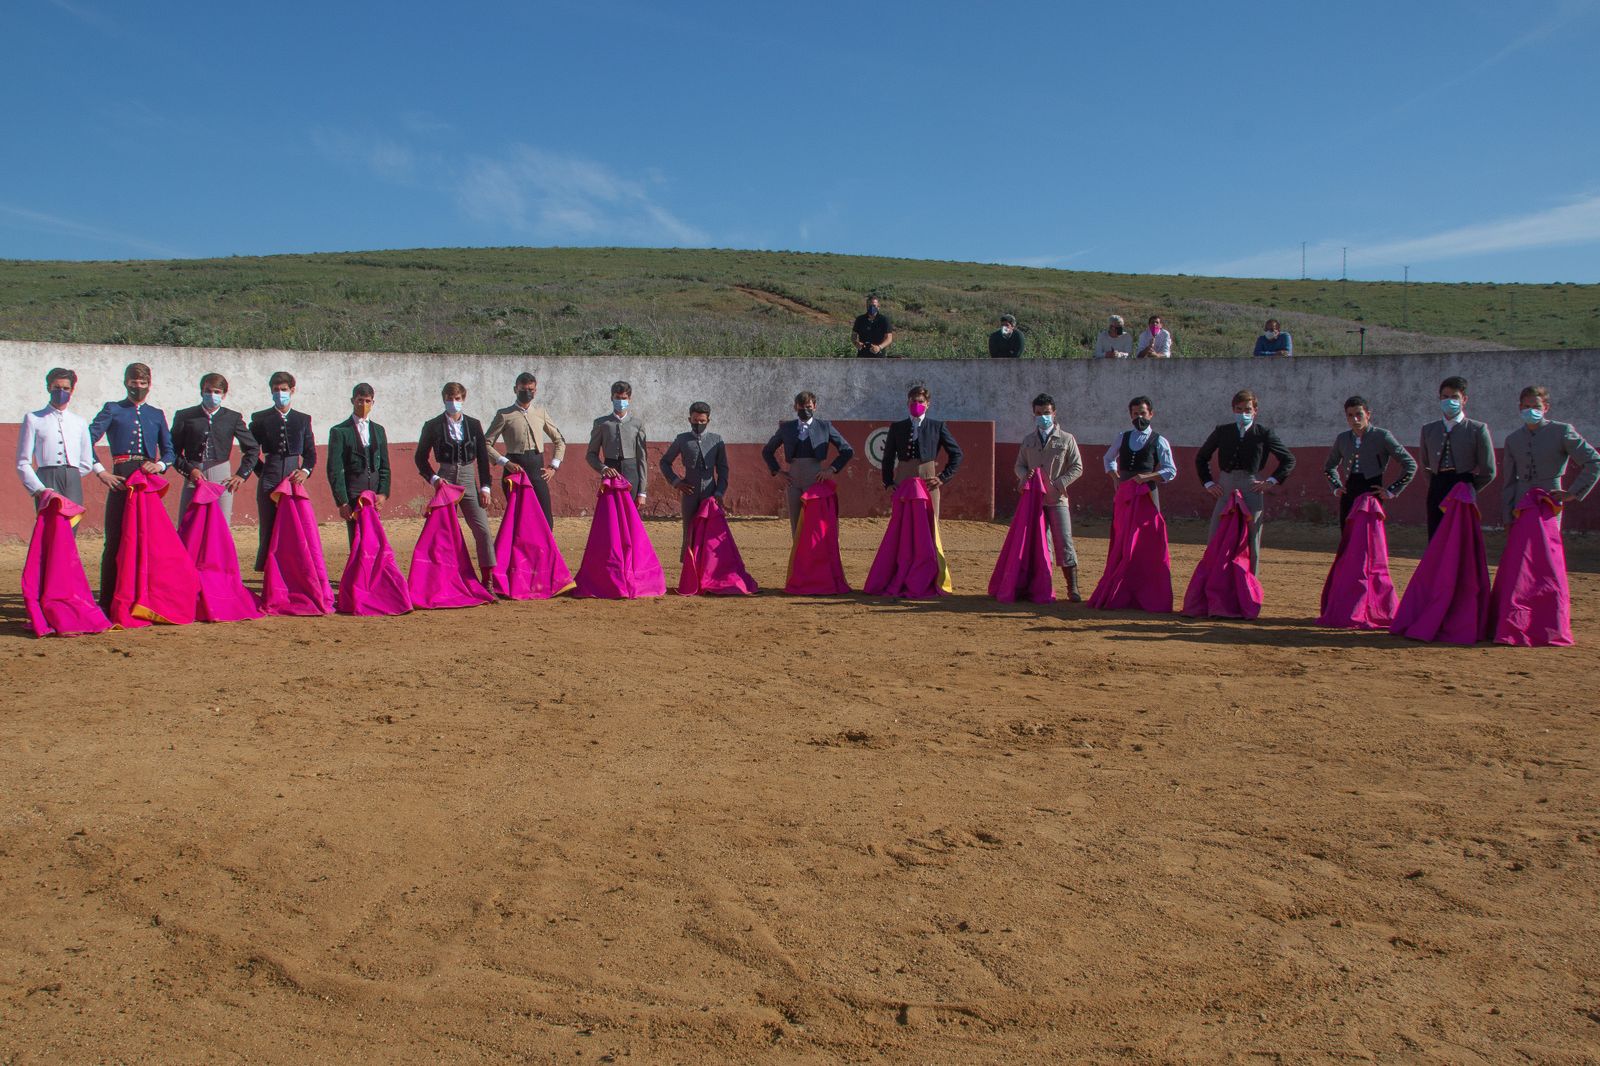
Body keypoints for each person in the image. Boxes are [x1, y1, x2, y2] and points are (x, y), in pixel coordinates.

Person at [89, 362, 175, 607]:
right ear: (125, 382)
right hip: (121, 479)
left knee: (147, 539)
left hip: (147, 481)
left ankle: (145, 597)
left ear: (149, 385)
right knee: (115, 539)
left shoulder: (156, 414)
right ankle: (108, 600)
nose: (138, 387)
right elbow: (86, 439)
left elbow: (169, 452)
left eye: (142, 383)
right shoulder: (113, 409)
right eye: (133, 382)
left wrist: (158, 466)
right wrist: (100, 471)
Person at [1195, 389, 1295, 573]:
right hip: (1225, 488)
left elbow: (1288, 459)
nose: (1243, 413)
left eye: (1247, 410)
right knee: (1215, 537)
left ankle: (1249, 587)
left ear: (1255, 411)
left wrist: (1271, 481)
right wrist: (1208, 483)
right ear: (1233, 410)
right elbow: (1201, 457)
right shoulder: (1222, 431)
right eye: (1239, 409)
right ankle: (1213, 582)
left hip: (1251, 488)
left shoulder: (1263, 433)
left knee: (1252, 540)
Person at [415, 381, 496, 585]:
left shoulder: (474, 424)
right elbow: (420, 458)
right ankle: (443, 580)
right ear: (444, 399)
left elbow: (483, 458)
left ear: (463, 399)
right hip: (445, 479)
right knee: (441, 533)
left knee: (483, 530)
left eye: (457, 399)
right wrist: (434, 479)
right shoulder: (432, 425)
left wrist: (485, 487)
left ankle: (488, 580)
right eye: (449, 399)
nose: (453, 402)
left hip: (469, 478)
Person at [1014, 393, 1084, 600]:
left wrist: (1059, 484)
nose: (1043, 416)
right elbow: (1019, 465)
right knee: (1041, 544)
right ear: (1033, 415)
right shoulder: (1028, 440)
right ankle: (1043, 587)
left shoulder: (1067, 439)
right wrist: (1024, 477)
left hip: (1057, 499)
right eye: (1038, 413)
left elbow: (1077, 467)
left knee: (1064, 541)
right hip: (1034, 500)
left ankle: (1073, 588)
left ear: (1054, 413)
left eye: (1046, 413)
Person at [1499, 385, 1600, 526]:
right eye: (1527, 406)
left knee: (1548, 544)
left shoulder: (1561, 431)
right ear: (1520, 407)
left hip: (1550, 498)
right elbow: (1509, 482)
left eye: (1536, 407)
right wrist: (1507, 517)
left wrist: (1573, 493)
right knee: (1523, 546)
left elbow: (1594, 461)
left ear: (1545, 408)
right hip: (1521, 501)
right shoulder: (1513, 439)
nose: (1531, 410)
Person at [248, 371, 316, 572]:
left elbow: (310, 453)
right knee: (268, 528)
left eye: (284, 389)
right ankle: (269, 574)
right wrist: (264, 472)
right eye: (276, 390)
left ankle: (295, 571)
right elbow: (250, 452)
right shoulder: (260, 419)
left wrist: (305, 470)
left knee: (295, 528)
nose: (280, 393)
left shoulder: (302, 419)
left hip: (294, 479)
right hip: (270, 478)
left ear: (292, 390)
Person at [762, 391, 854, 536]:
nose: (805, 410)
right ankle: (799, 557)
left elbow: (847, 450)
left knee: (816, 522)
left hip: (815, 478)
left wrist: (831, 469)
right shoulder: (787, 428)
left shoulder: (824, 426)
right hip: (793, 480)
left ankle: (816, 557)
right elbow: (767, 451)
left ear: (815, 407)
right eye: (801, 407)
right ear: (795, 407)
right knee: (796, 522)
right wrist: (777, 472)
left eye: (808, 407)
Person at [172, 372, 259, 523]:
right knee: (188, 524)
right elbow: (172, 450)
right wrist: (189, 470)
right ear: (202, 392)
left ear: (224, 395)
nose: (212, 395)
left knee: (221, 525)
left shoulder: (232, 417)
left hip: (222, 475)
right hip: (194, 473)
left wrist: (241, 475)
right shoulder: (185, 416)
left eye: (217, 392)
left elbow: (252, 448)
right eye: (208, 391)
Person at [1419, 375, 1496, 540]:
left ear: (1464, 399)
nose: (1449, 401)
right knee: (1436, 534)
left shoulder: (1477, 429)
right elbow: (1425, 464)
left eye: (1454, 397)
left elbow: (1489, 470)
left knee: (1460, 537)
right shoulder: (1428, 430)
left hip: (1462, 484)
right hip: (1437, 484)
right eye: (1445, 397)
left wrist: (1470, 489)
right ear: (1439, 398)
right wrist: (1434, 484)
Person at [485, 371, 565, 526]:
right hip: (514, 471)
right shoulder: (504, 415)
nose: (527, 393)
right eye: (523, 389)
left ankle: (543, 551)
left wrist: (554, 466)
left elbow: (559, 440)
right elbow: (486, 443)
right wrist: (505, 462)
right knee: (519, 520)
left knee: (546, 520)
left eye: (531, 390)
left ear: (535, 391)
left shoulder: (540, 413)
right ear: (515, 390)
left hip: (537, 470)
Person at [16, 367, 103, 507]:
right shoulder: (33, 418)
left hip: (73, 476)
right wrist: (38, 488)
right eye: (56, 387)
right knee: (50, 524)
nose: (61, 391)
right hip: (46, 477)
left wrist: (71, 475)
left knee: (72, 523)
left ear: (72, 390)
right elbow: (23, 462)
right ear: (49, 388)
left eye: (66, 388)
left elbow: (86, 461)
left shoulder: (79, 422)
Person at [1323, 396, 1416, 525]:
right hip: (1349, 492)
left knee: (1367, 533)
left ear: (1368, 414)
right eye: (1350, 415)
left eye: (1359, 414)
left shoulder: (1382, 436)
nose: (1355, 419)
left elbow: (1410, 464)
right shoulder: (1342, 438)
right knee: (1348, 533)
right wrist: (1336, 486)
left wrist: (1392, 490)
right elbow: (1329, 467)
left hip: (1372, 492)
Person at [882, 385, 963, 515]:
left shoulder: (937, 427)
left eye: (920, 401)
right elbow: (888, 457)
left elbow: (957, 454)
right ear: (908, 402)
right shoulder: (897, 427)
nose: (917, 404)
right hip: (903, 481)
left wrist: (942, 478)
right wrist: (888, 482)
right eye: (913, 401)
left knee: (928, 523)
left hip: (928, 481)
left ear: (927, 404)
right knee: (903, 522)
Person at [660, 401, 729, 550]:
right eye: (695, 420)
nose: (699, 423)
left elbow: (723, 469)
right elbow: (664, 462)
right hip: (689, 492)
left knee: (711, 533)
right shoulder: (682, 439)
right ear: (689, 420)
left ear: (708, 421)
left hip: (710, 494)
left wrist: (719, 492)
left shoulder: (716, 440)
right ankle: (689, 570)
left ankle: (708, 570)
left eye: (702, 421)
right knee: (689, 532)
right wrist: (676, 482)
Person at [327, 383, 391, 542]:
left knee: (375, 539)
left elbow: (385, 466)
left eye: (367, 401)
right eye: (360, 400)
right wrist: (342, 501)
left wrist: (383, 493)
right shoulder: (339, 431)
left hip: (374, 493)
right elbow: (335, 468)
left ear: (373, 403)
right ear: (353, 401)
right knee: (357, 539)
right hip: (353, 492)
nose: (364, 404)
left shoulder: (379, 430)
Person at [1103, 395, 1177, 510]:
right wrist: (1116, 478)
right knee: (1123, 525)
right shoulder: (1123, 437)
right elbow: (1108, 458)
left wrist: (1147, 477)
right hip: (1125, 490)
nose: (1139, 417)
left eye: (1143, 413)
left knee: (1146, 525)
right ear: (1131, 416)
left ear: (1151, 414)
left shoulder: (1159, 440)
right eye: (1136, 414)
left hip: (1146, 491)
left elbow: (1170, 470)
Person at [587, 380, 649, 504]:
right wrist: (603, 468)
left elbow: (642, 459)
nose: (621, 401)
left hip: (632, 473)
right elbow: (591, 454)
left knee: (630, 515)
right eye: (617, 398)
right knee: (611, 513)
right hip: (610, 471)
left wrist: (642, 492)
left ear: (629, 399)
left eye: (624, 398)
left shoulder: (637, 423)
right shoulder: (601, 423)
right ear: (612, 398)